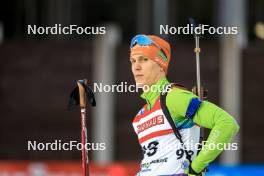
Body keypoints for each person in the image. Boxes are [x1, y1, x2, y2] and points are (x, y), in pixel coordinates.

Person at [129, 34, 239, 176]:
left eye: (144, 59)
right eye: (133, 61)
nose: (136, 67)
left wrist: (196, 167)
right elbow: (153, 161)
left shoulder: (173, 96)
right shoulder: (139, 118)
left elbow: (227, 124)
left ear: (161, 65)